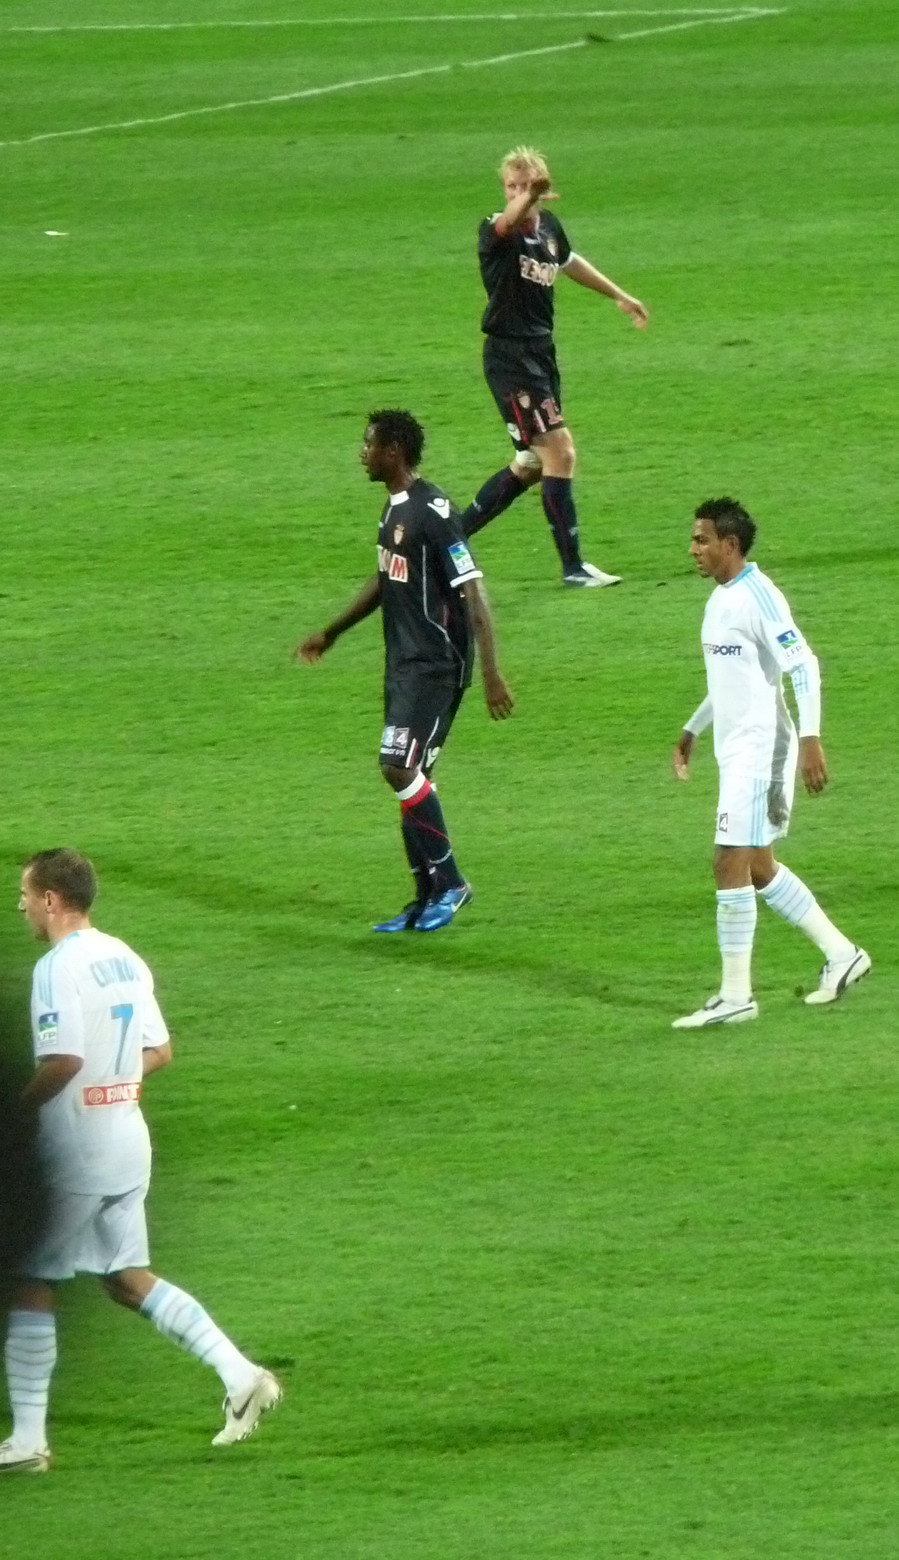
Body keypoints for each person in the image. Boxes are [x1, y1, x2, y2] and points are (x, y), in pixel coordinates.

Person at [0, 850, 282, 1474]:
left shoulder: (57, 968)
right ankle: (241, 1376)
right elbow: (159, 1051)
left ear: (51, 899)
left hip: (74, 1148)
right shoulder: (124, 956)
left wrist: (14, 1116)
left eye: (24, 893)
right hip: (127, 1137)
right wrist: (113, 1083)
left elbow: (63, 1060)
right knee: (126, 1278)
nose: (19, 904)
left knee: (28, 1279)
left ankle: (26, 1440)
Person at [298, 409, 513, 931]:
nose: (362, 452)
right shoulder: (393, 511)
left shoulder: (433, 510)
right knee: (411, 778)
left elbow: (471, 588)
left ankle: (452, 883)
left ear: (393, 450)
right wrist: (333, 630)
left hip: (437, 666)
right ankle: (423, 895)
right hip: (404, 666)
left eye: (369, 444)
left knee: (398, 765)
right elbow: (384, 579)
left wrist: (491, 671)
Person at [670, 499, 871, 1028]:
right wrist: (694, 726)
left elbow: (802, 664)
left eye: (701, 540)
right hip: (735, 748)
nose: (692, 549)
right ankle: (842, 954)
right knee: (757, 866)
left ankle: (737, 995)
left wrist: (811, 739)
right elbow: (730, 678)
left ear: (729, 546)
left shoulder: (759, 597)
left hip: (763, 750)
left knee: (727, 860)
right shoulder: (720, 599)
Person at [462, 144, 648, 588]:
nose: (518, 193)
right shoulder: (495, 230)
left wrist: (619, 294)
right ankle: (573, 567)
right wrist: (528, 198)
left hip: (540, 353)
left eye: (528, 186)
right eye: (512, 186)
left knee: (529, 463)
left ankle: (448, 537)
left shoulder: (548, 227)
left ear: (545, 191)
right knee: (560, 451)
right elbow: (509, 220)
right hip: (510, 357)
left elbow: (568, 261)